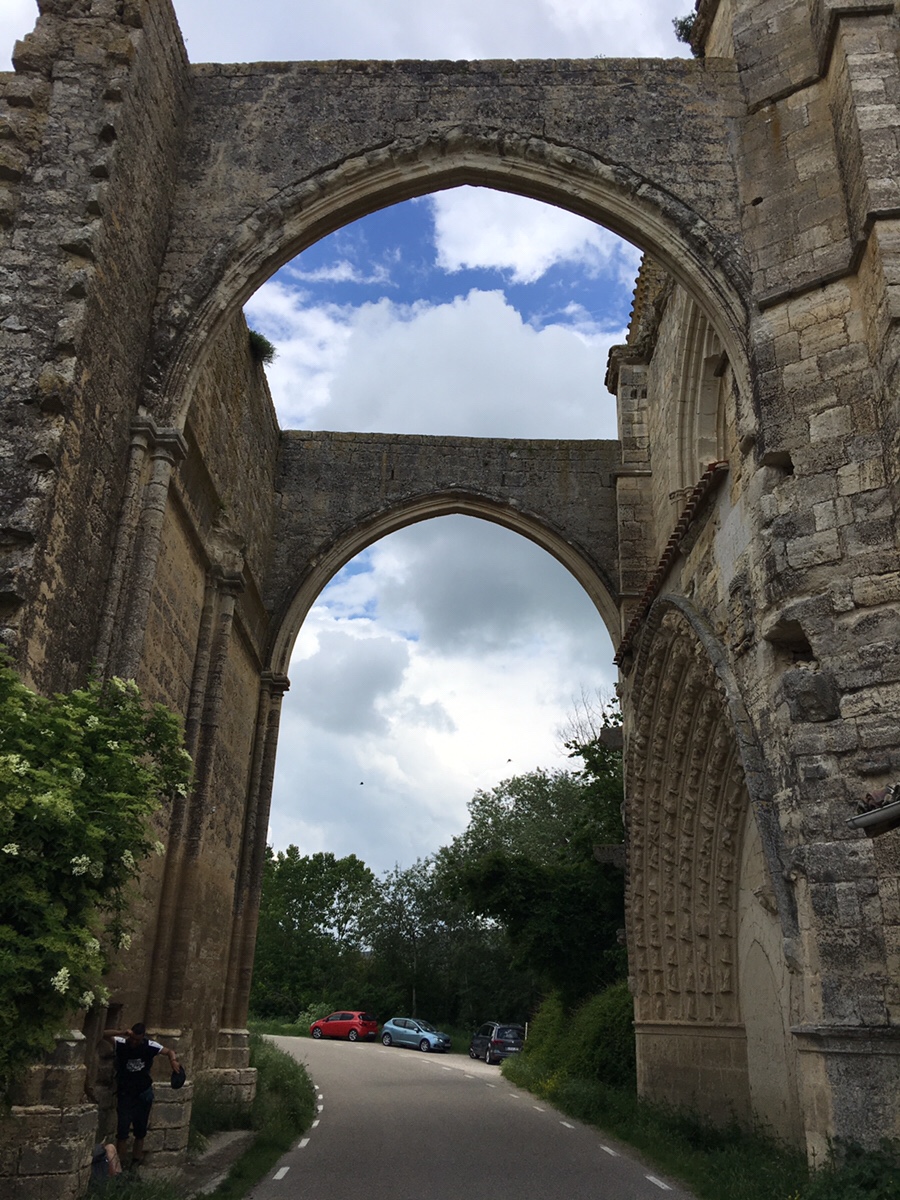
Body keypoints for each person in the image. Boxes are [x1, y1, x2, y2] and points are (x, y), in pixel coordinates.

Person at [102, 1023, 181, 1166]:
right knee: (122, 1131)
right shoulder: (121, 1043)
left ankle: (135, 1164)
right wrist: (121, 1031)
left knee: (140, 1131)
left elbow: (169, 1051)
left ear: (142, 1037)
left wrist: (173, 1061)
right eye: (132, 1039)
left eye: (137, 1040)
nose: (134, 1042)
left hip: (143, 1093)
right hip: (125, 1093)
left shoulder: (150, 1045)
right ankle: (120, 1166)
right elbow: (103, 1034)